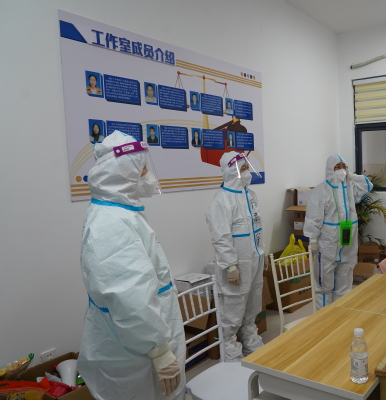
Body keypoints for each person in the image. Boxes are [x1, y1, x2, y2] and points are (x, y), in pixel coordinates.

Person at [79, 131, 186, 400]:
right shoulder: (110, 224)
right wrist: (158, 351)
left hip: (142, 343)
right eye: (142, 167)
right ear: (124, 170)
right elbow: (130, 297)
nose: (147, 173)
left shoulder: (119, 213)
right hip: (138, 353)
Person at [205, 151, 264, 362]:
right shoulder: (221, 200)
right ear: (231, 171)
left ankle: (250, 339)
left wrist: (262, 255)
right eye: (243, 169)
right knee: (233, 307)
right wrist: (230, 266)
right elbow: (221, 237)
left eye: (247, 168)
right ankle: (230, 350)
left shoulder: (250, 195)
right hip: (236, 266)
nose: (247, 172)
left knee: (252, 302)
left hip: (255, 260)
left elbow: (257, 228)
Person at [304, 154, 372, 310]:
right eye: (337, 167)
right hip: (328, 243)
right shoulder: (320, 190)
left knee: (344, 281)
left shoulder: (350, 187)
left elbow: (367, 185)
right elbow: (313, 217)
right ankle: (324, 317)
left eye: (344, 167)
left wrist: (352, 176)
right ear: (330, 169)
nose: (341, 170)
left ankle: (341, 314)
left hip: (347, 243)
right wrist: (312, 239)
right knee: (324, 284)